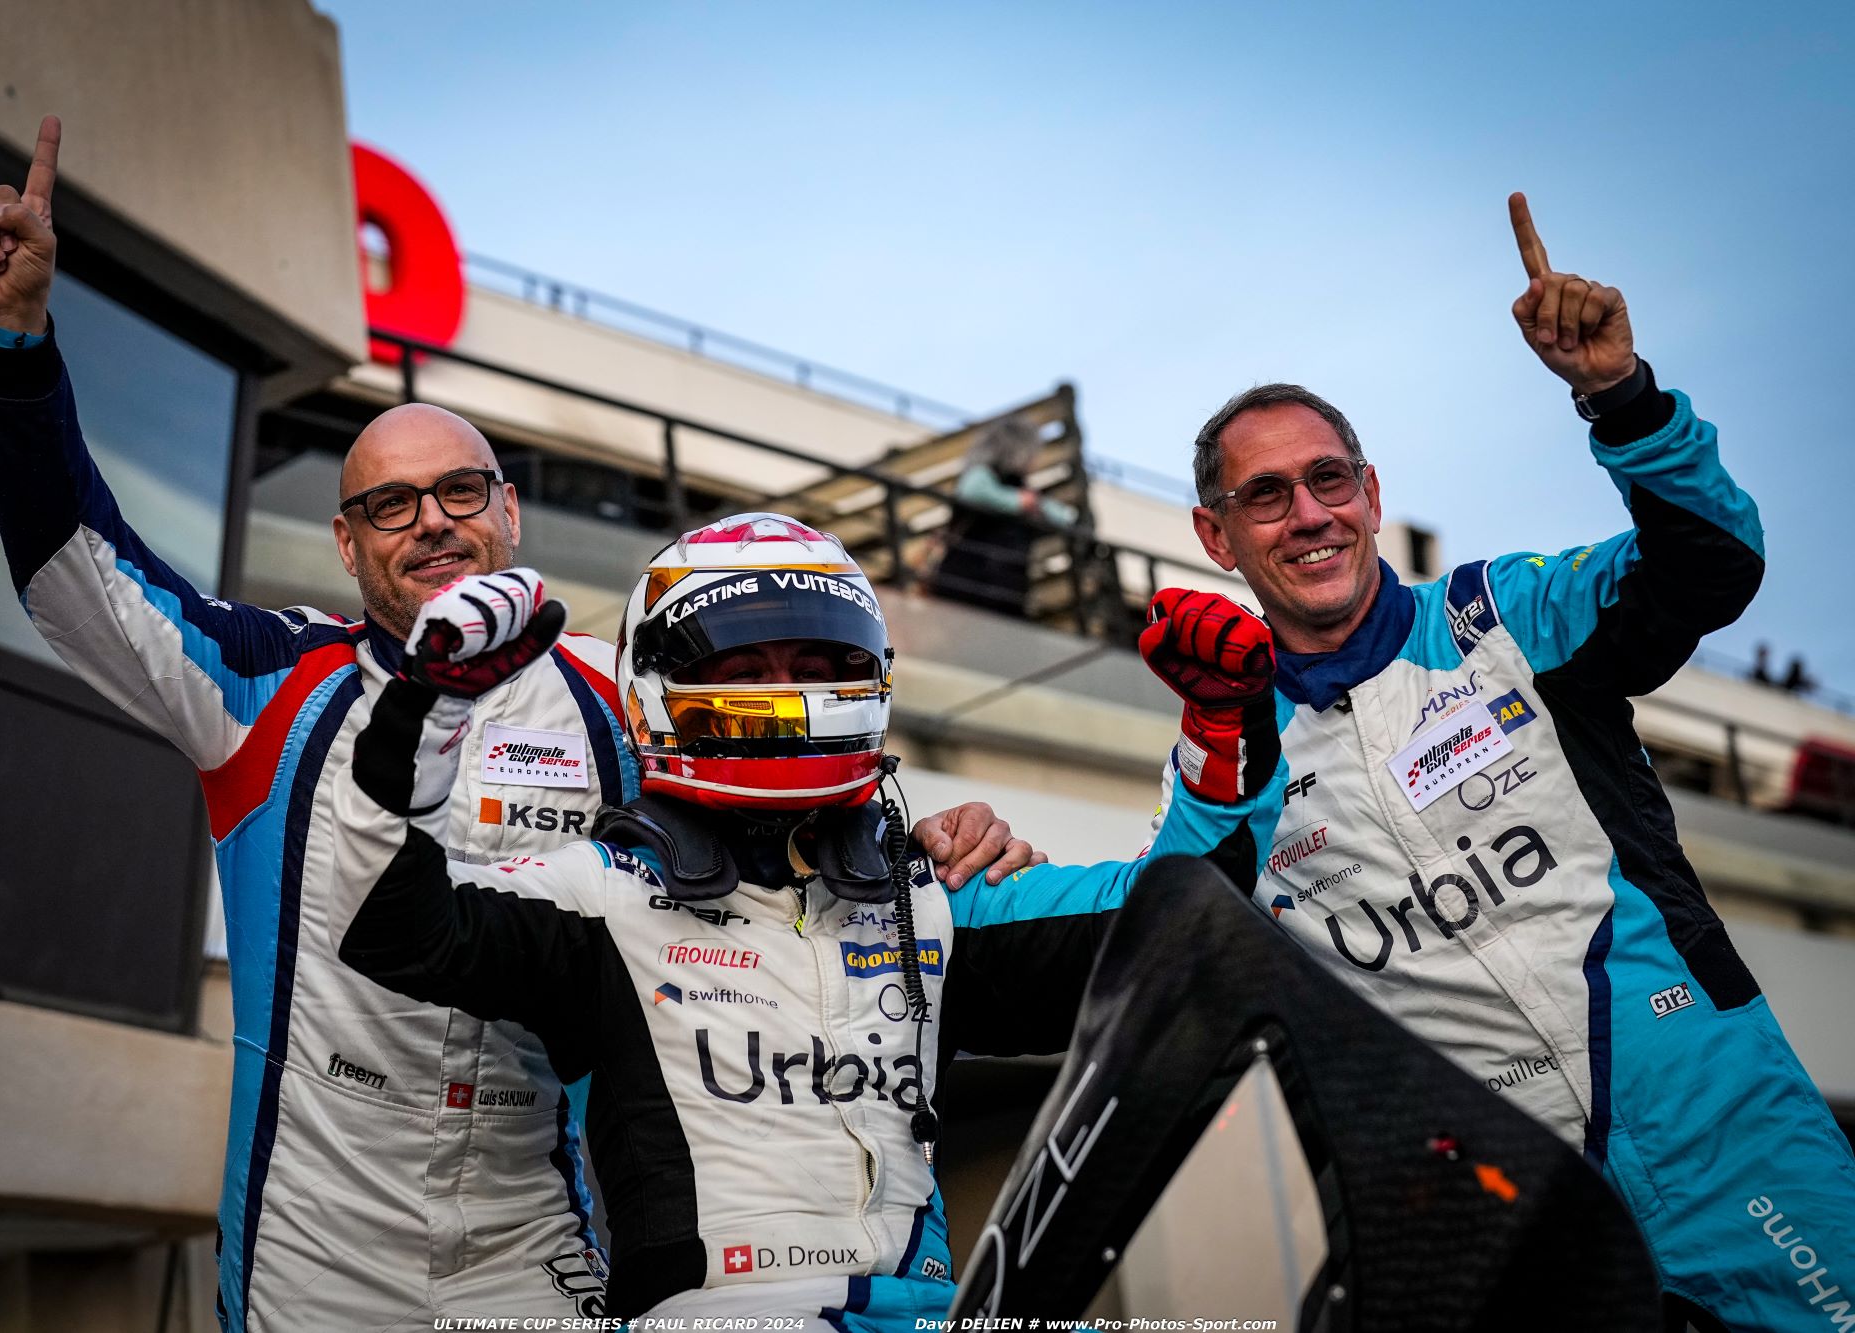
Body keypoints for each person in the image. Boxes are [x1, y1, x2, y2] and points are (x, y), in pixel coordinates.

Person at [0, 117, 1035, 1330]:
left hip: (537, 1221)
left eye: (459, 489)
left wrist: (918, 845)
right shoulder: (264, 681)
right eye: (390, 504)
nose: (431, 520)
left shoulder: (624, 695)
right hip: (317, 1235)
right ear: (345, 541)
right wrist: (15, 348)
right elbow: (77, 574)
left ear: (508, 513)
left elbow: (783, 813)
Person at [1133, 194, 1854, 1332]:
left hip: (1726, 1135)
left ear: (1372, 496)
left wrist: (1620, 398)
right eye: (1264, 495)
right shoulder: (1230, 756)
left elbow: (1711, 563)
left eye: (1329, 480)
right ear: (1214, 537)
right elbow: (1166, 947)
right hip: (1504, 1209)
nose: (1308, 514)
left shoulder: (1506, 613)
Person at [330, 513, 1210, 1325]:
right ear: (654, 690)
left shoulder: (933, 896)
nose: (785, 699)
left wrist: (1222, 738)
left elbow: (1185, 919)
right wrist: (422, 714)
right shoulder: (599, 898)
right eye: (746, 673)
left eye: (816, 669)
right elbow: (387, 920)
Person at [927, 414, 1080, 616]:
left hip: (1005, 592)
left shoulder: (1018, 486)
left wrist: (1034, 505)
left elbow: (1064, 517)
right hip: (968, 584)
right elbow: (971, 491)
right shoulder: (984, 475)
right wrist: (1019, 502)